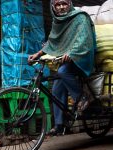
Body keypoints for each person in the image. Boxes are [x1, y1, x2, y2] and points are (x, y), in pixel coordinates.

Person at [28, 0, 96, 136]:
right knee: (56, 88)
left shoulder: (80, 17)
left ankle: (83, 96)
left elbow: (84, 39)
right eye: (57, 5)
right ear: (53, 7)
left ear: (69, 4)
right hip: (66, 60)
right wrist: (38, 54)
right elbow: (52, 43)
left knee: (62, 71)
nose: (61, 7)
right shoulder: (57, 21)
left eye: (64, 3)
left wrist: (72, 53)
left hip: (82, 56)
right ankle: (59, 124)